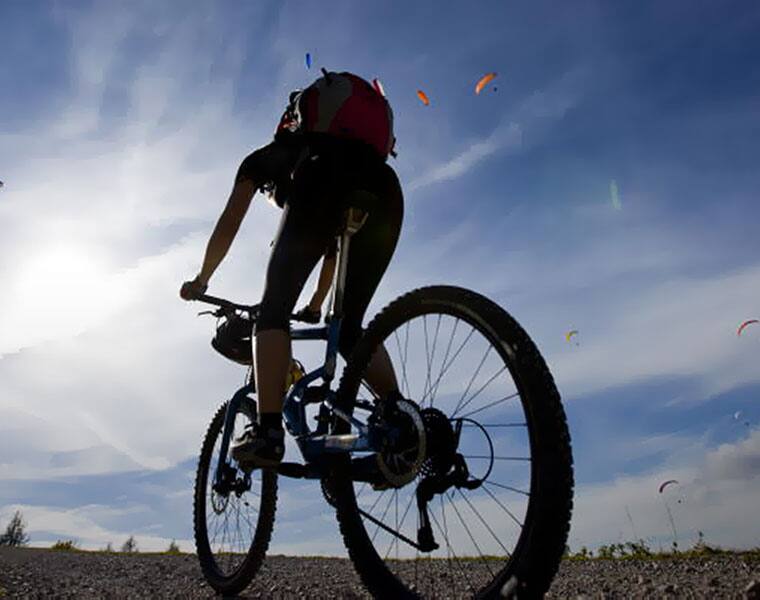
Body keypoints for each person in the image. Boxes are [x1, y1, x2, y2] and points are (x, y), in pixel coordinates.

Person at [181, 71, 404, 467]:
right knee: (351, 330)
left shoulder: (275, 156)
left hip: (323, 180)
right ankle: (400, 422)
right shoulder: (359, 152)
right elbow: (335, 246)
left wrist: (201, 280)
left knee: (274, 312)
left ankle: (267, 432)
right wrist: (318, 303)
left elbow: (231, 219)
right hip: (385, 189)